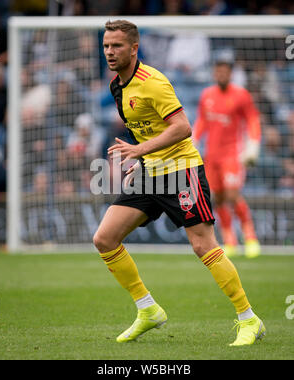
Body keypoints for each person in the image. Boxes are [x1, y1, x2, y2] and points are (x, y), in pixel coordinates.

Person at [93, 20, 265, 346]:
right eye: (105, 46)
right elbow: (147, 129)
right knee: (105, 238)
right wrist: (142, 161)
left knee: (203, 246)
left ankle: (248, 318)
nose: (110, 52)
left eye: (116, 46)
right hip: (149, 173)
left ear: (134, 48)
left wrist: (139, 151)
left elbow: (183, 127)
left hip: (181, 171)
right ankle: (148, 309)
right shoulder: (117, 86)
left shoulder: (153, 82)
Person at [193, 61, 262, 258]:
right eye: (218, 71)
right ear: (215, 73)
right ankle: (230, 240)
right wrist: (195, 139)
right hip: (211, 156)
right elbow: (202, 121)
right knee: (218, 198)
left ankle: (250, 238)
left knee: (233, 195)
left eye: (224, 72)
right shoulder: (207, 95)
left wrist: (253, 145)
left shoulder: (241, 95)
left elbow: (252, 120)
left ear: (230, 74)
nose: (221, 75)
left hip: (232, 154)